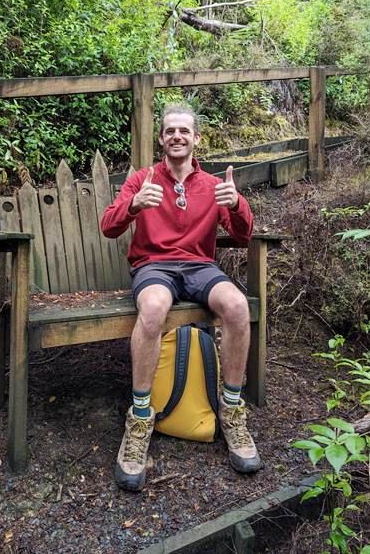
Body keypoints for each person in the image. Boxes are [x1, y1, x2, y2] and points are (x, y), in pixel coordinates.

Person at [100, 104, 260, 492]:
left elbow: (243, 236)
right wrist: (133, 205)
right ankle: (140, 419)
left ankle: (231, 410)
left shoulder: (212, 185)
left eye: (184, 131)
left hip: (199, 267)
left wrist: (237, 204)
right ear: (161, 138)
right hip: (153, 266)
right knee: (154, 307)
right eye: (170, 130)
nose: (177, 136)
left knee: (237, 306)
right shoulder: (142, 179)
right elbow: (108, 226)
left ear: (196, 139)